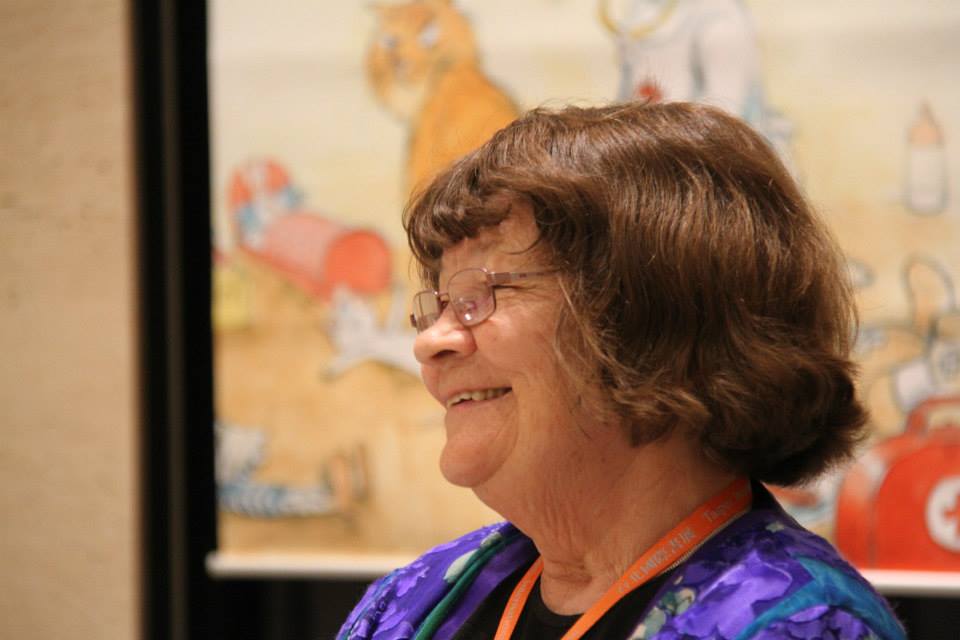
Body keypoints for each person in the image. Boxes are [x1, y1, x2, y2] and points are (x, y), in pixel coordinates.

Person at [338, 102, 905, 640]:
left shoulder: (801, 624)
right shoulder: (411, 605)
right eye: (438, 304)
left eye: (478, 296)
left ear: (650, 318)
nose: (430, 342)